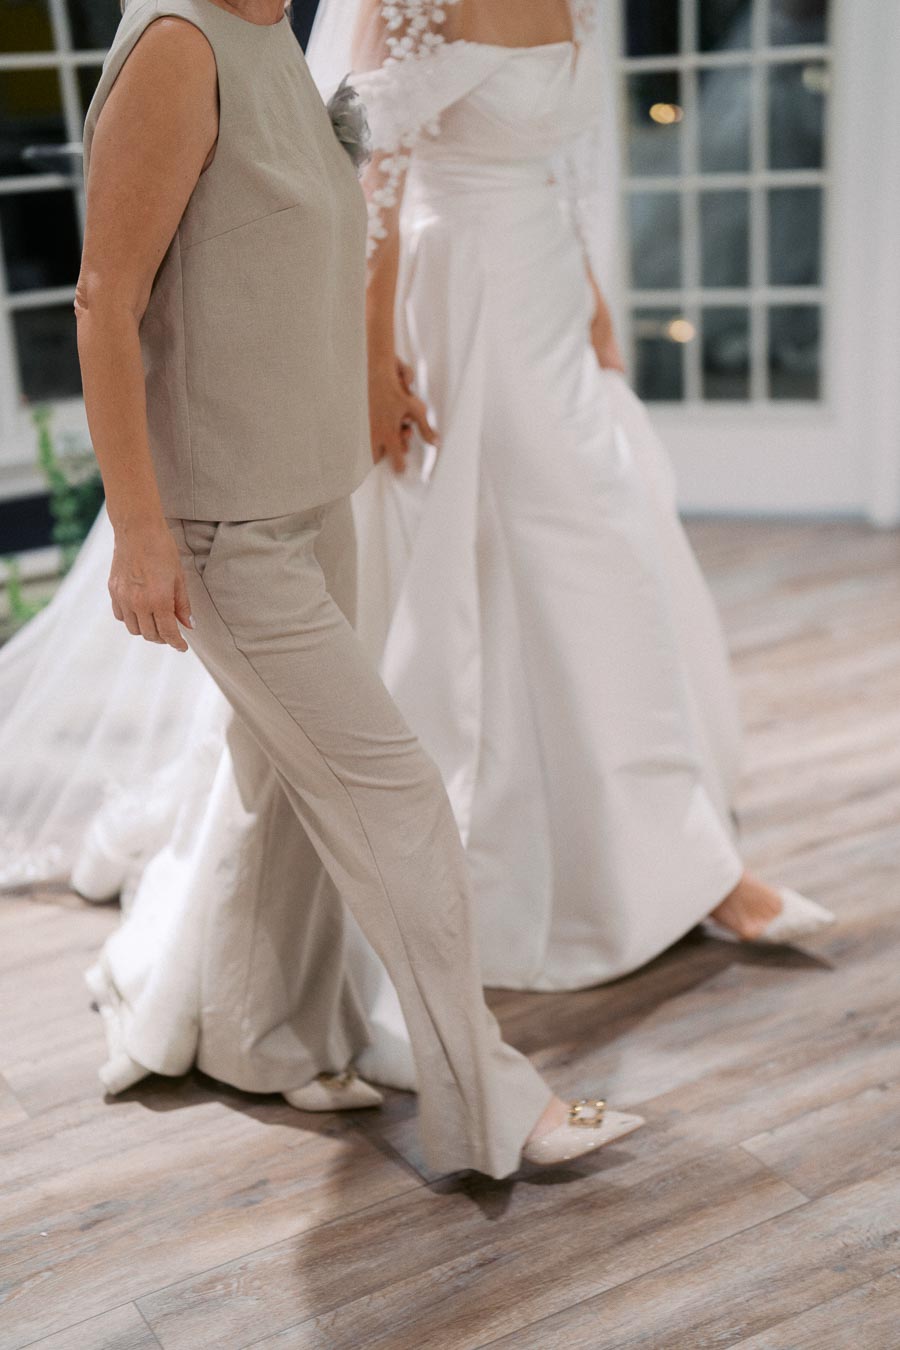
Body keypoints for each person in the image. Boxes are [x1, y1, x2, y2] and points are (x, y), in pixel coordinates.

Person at [70, 0, 642, 1176]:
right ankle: (487, 1101)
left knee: (283, 795)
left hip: (311, 492)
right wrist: (138, 530)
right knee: (397, 795)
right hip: (229, 527)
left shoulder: (271, 32)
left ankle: (261, 1034)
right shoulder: (179, 45)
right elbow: (106, 301)